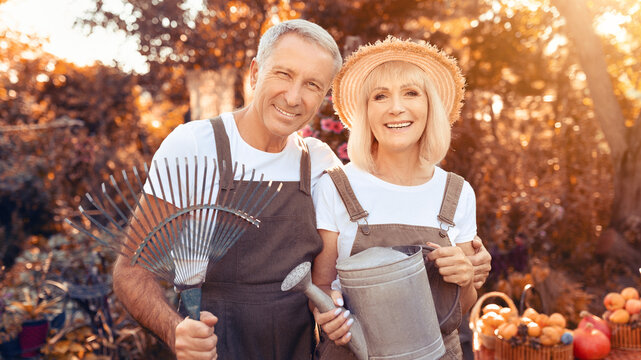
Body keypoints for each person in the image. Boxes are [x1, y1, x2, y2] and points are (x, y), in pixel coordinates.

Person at [112, 19, 344, 360]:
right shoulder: (193, 146)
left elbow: (327, 282)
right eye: (283, 74)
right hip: (217, 349)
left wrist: (332, 305)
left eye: (312, 84)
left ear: (324, 96)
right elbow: (131, 271)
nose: (294, 97)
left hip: (297, 350)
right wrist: (175, 331)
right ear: (254, 73)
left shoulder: (321, 164)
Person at [311, 37, 483, 360]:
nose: (396, 107)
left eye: (411, 93)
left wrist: (466, 278)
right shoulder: (336, 187)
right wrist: (327, 315)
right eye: (380, 96)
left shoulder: (457, 194)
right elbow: (321, 287)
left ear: (429, 105)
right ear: (366, 110)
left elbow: (461, 306)